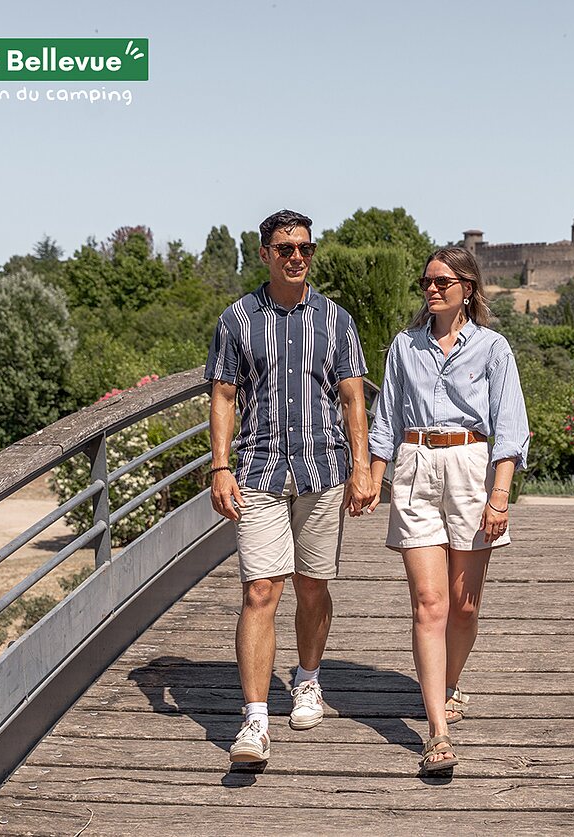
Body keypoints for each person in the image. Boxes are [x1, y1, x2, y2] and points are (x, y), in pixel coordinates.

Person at [206, 209, 376, 764]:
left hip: (323, 471)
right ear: (264, 255)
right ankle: (254, 720)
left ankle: (307, 679)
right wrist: (220, 466)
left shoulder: (336, 320)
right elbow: (224, 397)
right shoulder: (236, 319)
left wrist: (361, 465)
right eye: (284, 248)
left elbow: (353, 397)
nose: (296, 256)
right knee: (260, 590)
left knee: (312, 587)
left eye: (304, 247)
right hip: (257, 471)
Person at [366, 246, 530, 773]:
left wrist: (499, 496)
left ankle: (452, 681)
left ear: (468, 287)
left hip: (471, 467)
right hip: (415, 466)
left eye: (441, 281)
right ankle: (436, 731)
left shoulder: (494, 348)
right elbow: (385, 418)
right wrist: (372, 474)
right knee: (429, 603)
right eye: (426, 281)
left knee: (464, 606)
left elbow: (510, 428)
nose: (431, 289)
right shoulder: (404, 346)